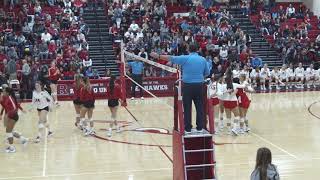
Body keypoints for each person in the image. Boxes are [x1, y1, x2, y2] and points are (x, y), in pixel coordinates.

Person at [150, 43, 210, 134]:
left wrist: (158, 56)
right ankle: (200, 127)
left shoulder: (185, 58)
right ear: (198, 50)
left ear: (188, 50)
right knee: (199, 107)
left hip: (187, 86)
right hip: (199, 85)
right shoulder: (203, 59)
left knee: (187, 107)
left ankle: (188, 128)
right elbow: (207, 73)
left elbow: (171, 58)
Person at [0, 86, 27, 153]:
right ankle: (23, 139)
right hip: (8, 116)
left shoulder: (10, 98)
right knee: (10, 131)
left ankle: (12, 148)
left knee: (8, 131)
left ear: (7, 92)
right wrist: (1, 114)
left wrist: (21, 109)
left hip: (13, 116)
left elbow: (15, 107)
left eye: (4, 91)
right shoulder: (3, 98)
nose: (3, 91)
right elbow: (3, 107)